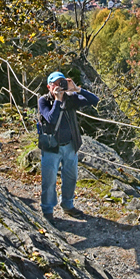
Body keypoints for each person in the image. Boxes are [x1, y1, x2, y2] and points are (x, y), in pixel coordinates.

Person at [37, 71, 99, 222]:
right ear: (49, 86)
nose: (59, 86)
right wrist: (57, 100)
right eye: (55, 84)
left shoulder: (71, 99)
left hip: (70, 145)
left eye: (61, 83)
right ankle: (47, 210)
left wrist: (77, 89)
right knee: (49, 180)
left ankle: (68, 205)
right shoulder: (43, 101)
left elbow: (94, 100)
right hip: (51, 147)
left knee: (71, 177)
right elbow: (51, 119)